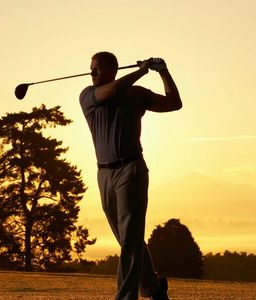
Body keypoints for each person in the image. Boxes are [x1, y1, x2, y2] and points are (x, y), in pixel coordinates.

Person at [79, 52, 182, 300]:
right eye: (91, 68)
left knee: (130, 238)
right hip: (103, 173)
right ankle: (154, 288)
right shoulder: (88, 96)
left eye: (97, 69)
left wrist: (163, 71)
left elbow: (174, 103)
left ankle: (125, 297)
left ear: (111, 69)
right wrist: (142, 71)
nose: (92, 73)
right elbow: (112, 90)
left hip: (131, 170)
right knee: (128, 238)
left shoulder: (136, 94)